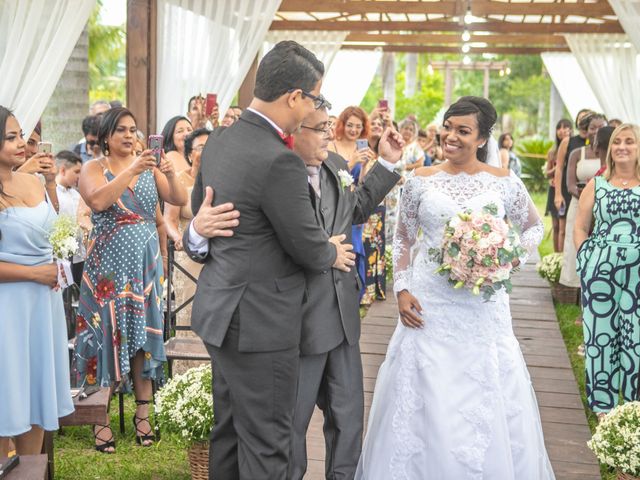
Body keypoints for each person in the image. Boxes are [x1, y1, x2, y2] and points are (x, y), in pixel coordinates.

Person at [182, 40, 355, 479]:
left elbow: (202, 207)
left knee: (228, 432)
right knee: (267, 444)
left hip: (219, 311)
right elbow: (308, 248)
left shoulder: (220, 139)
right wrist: (331, 250)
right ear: (295, 97)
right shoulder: (280, 161)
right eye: (314, 98)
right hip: (260, 324)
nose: (313, 108)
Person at [356, 96, 554, 479]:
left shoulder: (504, 183)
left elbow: (534, 227)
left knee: (484, 389)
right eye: (448, 127)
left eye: (463, 131)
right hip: (428, 305)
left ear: (482, 138)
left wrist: (509, 259)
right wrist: (401, 289)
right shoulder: (419, 181)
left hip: (483, 308)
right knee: (424, 393)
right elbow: (403, 238)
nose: (451, 136)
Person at [289, 106, 402, 480]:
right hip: (301, 319)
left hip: (343, 313)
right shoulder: (280, 173)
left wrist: (386, 163)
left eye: (327, 127)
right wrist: (325, 250)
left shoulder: (336, 163)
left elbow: (356, 210)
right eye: (320, 128)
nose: (328, 135)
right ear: (294, 130)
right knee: (294, 420)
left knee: (349, 415)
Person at [74, 107, 188, 452]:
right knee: (103, 337)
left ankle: (143, 415)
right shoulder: (93, 169)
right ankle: (99, 418)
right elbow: (98, 199)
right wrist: (134, 169)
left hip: (146, 268)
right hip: (106, 269)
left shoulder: (149, 166)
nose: (128, 135)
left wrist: (168, 173)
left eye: (133, 129)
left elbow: (178, 202)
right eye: (121, 129)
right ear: (106, 136)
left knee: (142, 339)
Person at [0, 106, 74, 458]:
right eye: (11, 137)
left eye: (20, 135)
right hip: (9, 305)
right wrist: (33, 273)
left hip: (44, 303)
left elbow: (55, 232)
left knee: (35, 395)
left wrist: (57, 264)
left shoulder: (33, 181)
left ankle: (32, 467)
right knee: (7, 392)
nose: (21, 143)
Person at [574, 123, 640, 419]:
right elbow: (580, 226)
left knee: (635, 335)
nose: (622, 147)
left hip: (637, 275)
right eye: (617, 142)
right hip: (600, 272)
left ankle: (634, 404)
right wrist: (585, 258)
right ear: (610, 148)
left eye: (630, 142)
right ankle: (604, 406)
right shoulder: (597, 184)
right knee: (601, 335)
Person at [163, 128, 212, 373]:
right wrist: (177, 237)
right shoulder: (180, 181)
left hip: (214, 259)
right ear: (190, 154)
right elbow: (169, 220)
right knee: (188, 316)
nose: (207, 151)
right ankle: (187, 375)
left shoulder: (220, 179)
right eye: (202, 147)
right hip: (187, 257)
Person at [559, 113, 607, 291]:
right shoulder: (576, 153)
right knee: (575, 245)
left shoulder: (611, 155)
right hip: (579, 204)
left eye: (601, 127)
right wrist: (587, 196)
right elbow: (570, 184)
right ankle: (576, 289)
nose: (596, 131)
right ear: (586, 131)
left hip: (602, 206)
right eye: (592, 127)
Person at [554, 109, 592, 251]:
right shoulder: (568, 141)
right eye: (581, 118)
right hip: (568, 188)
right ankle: (559, 260)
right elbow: (558, 168)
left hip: (587, 190)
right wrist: (558, 194)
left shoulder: (596, 142)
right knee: (564, 229)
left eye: (587, 118)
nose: (583, 122)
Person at [54, 150, 89, 285]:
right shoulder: (52, 193)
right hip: (60, 252)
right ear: (63, 170)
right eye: (76, 171)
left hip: (79, 253)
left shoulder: (77, 194)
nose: (79, 176)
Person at [545, 119, 573, 252]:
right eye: (559, 128)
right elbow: (547, 173)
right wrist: (557, 169)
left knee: (565, 227)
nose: (562, 130)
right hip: (554, 189)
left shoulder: (574, 148)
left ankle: (563, 256)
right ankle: (555, 255)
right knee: (555, 226)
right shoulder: (553, 152)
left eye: (566, 127)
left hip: (567, 190)